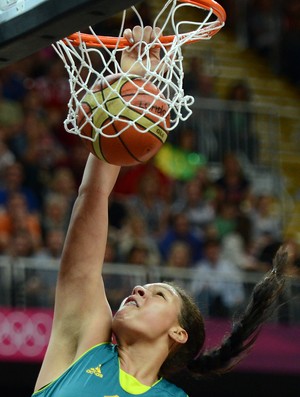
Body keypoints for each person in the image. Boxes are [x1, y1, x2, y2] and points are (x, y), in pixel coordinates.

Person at [32, 26, 288, 397]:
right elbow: (93, 194)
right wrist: (132, 83)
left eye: (157, 294)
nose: (137, 288)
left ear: (177, 334)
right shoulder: (87, 342)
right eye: (151, 290)